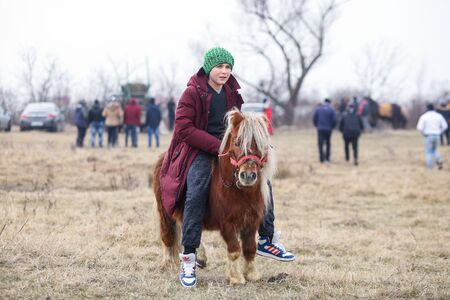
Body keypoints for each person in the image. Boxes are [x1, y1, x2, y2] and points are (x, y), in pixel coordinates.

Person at [159, 47, 294, 288]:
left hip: (229, 149)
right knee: (196, 190)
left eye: (228, 67)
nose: (224, 71)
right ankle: (189, 256)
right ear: (208, 68)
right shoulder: (192, 93)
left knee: (264, 182)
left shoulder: (233, 92)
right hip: (199, 150)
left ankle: (267, 239)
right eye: (219, 67)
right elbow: (183, 128)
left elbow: (238, 124)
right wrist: (218, 147)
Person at [416, 103, 448, 170]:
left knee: (428, 152)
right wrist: (440, 132)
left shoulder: (424, 116)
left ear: (427, 108)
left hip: (428, 135)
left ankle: (429, 168)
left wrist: (423, 133)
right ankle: (439, 160)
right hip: (437, 135)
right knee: (434, 150)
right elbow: (445, 126)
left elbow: (419, 127)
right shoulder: (439, 116)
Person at [313, 98, 336, 163]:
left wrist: (317, 126)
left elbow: (314, 118)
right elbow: (334, 120)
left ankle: (321, 158)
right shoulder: (332, 110)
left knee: (320, 144)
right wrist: (332, 127)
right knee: (328, 143)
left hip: (320, 128)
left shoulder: (318, 109)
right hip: (328, 129)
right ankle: (327, 158)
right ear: (330, 102)